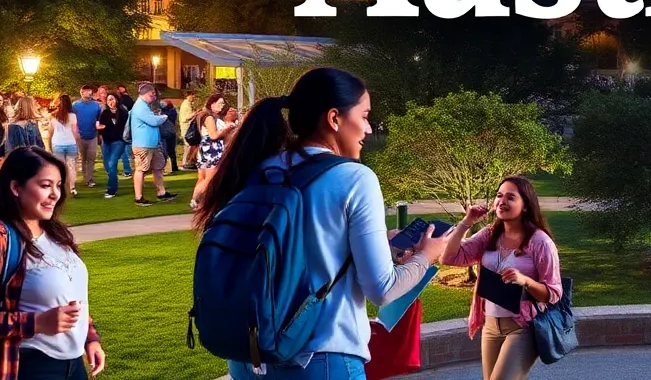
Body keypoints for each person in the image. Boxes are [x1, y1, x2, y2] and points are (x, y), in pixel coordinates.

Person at [193, 67, 449, 379]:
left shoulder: (259, 168)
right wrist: (427, 255)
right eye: (365, 115)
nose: (368, 128)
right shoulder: (354, 178)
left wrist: (379, 242)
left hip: (248, 357)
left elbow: (304, 246)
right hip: (319, 360)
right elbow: (383, 289)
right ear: (334, 119)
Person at [0, 146, 106, 379]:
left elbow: (71, 296)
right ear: (16, 187)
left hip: (73, 365)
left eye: (58, 185)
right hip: (27, 365)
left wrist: (90, 338)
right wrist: (35, 323)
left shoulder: (56, 232)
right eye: (45, 185)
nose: (55, 194)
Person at [441, 177, 563, 380]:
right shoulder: (489, 234)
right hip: (490, 325)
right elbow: (449, 257)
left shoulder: (540, 242)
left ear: (525, 205)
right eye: (499, 196)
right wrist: (466, 222)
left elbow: (553, 293)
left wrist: (525, 281)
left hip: (522, 327)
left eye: (510, 197)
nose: (501, 201)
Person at [128, 84, 176, 207]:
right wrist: (164, 116)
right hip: (143, 145)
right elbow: (153, 121)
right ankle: (138, 197)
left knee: (158, 167)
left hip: (152, 144)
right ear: (145, 93)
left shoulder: (145, 106)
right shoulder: (139, 107)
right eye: (152, 94)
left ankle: (162, 192)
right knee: (141, 169)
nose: (153, 97)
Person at [190, 94, 235, 210]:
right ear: (212, 104)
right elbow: (214, 135)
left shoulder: (205, 116)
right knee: (209, 178)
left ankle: (196, 202)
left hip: (205, 149)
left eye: (223, 103)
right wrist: (227, 129)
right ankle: (198, 201)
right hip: (211, 149)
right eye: (220, 103)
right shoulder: (209, 117)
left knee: (202, 178)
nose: (222, 105)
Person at [94, 94, 129, 199]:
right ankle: (114, 180)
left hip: (118, 142)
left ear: (117, 100)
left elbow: (127, 128)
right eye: (108, 100)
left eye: (112, 99)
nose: (110, 101)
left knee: (112, 163)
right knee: (107, 165)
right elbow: (99, 125)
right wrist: (99, 127)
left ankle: (111, 190)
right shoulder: (105, 113)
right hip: (106, 141)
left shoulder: (123, 113)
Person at [46, 95, 80, 198]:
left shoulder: (53, 116)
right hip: (71, 143)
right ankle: (72, 187)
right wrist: (77, 143)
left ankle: (60, 187)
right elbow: (75, 132)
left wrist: (49, 145)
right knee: (71, 166)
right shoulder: (72, 116)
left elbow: (50, 132)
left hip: (57, 143)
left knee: (60, 167)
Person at [71, 87, 100, 191]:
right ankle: (85, 177)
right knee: (83, 158)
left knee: (91, 158)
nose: (89, 93)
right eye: (86, 91)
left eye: (90, 91)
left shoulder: (96, 105)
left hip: (92, 135)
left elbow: (99, 119)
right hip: (80, 136)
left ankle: (90, 179)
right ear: (82, 92)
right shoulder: (75, 105)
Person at [159, 98, 180, 174]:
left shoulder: (168, 113)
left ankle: (169, 167)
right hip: (171, 132)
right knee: (171, 151)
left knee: (167, 150)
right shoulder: (173, 111)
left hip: (166, 132)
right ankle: (174, 167)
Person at [179, 92, 199, 170]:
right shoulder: (185, 105)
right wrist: (195, 113)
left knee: (188, 146)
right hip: (186, 129)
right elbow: (186, 118)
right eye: (192, 95)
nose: (194, 97)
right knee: (188, 146)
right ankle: (185, 163)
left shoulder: (188, 104)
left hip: (188, 128)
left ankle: (186, 162)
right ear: (188, 96)